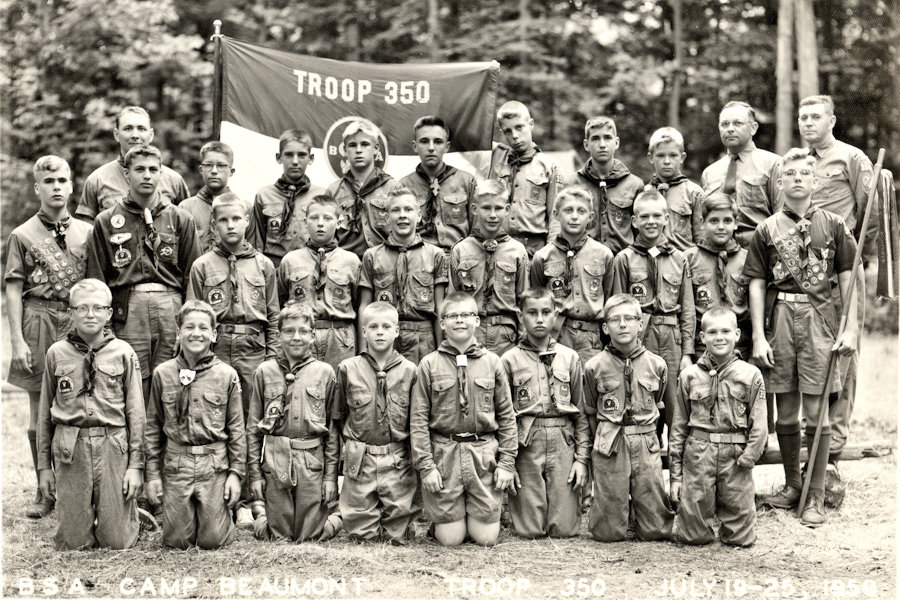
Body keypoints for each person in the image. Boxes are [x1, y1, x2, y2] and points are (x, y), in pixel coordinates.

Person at [743, 148, 858, 527]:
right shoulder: (766, 229)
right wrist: (759, 335)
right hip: (780, 319)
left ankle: (815, 493)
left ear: (815, 181)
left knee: (816, 409)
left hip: (819, 320)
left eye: (803, 174)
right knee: (787, 408)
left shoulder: (835, 225)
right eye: (789, 173)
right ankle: (793, 484)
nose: (796, 178)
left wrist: (851, 327)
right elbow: (757, 284)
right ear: (780, 182)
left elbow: (847, 281)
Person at [5, 155, 93, 518]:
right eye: (49, 181)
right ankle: (45, 490)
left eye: (62, 180)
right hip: (38, 318)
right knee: (39, 410)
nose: (57, 187)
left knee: (79, 402)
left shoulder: (86, 231)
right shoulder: (23, 234)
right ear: (37, 187)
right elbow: (13, 288)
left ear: (72, 185)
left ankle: (80, 485)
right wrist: (17, 341)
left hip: (75, 320)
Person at [187, 193, 280, 526]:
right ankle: (221, 492)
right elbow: (193, 316)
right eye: (223, 219)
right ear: (213, 224)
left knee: (250, 425)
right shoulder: (202, 266)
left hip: (253, 351)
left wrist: (272, 360)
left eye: (236, 219)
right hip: (215, 349)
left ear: (247, 222)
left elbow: (272, 314)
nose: (230, 225)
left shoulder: (264, 265)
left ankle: (252, 496)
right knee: (218, 421)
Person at [792, 94, 875, 461]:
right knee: (812, 347)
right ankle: (816, 430)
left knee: (844, 348)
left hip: (841, 265)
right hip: (805, 271)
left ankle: (836, 440)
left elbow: (870, 213)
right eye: (802, 117)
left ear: (832, 120)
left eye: (815, 117)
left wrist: (857, 255)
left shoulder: (851, 157)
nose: (808, 123)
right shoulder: (796, 162)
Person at [85, 144, 201, 402]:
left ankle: (164, 441)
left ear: (162, 173)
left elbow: (193, 275)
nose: (146, 175)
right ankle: (136, 441)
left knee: (170, 377)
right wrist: (103, 323)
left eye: (152, 169)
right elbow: (97, 279)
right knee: (132, 380)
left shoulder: (180, 219)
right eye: (139, 169)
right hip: (128, 308)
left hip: (170, 306)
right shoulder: (106, 220)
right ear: (126, 174)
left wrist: (190, 321)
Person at [37, 279, 144, 549]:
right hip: (70, 447)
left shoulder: (124, 353)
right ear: (71, 312)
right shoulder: (56, 353)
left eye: (98, 308)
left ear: (109, 313)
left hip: (113, 445)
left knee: (117, 542)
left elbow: (136, 413)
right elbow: (43, 416)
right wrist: (43, 468)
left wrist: (135, 466)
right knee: (72, 543)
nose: (90, 314)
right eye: (82, 308)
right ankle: (79, 515)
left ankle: (121, 515)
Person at [410, 292, 517, 546]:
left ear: (477, 321)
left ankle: (473, 513)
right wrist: (426, 467)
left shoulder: (493, 363)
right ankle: (450, 518)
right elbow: (418, 420)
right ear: (442, 323)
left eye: (466, 315)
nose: (459, 321)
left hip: (482, 454)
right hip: (444, 454)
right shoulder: (428, 364)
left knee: (486, 539)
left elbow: (507, 416)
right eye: (452, 316)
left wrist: (507, 463)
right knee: (451, 540)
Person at [144, 300, 245, 548]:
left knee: (213, 541)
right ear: (178, 333)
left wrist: (236, 474)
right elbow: (153, 427)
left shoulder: (227, 375)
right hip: (177, 464)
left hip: (214, 464)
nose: (196, 333)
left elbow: (236, 429)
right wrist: (153, 474)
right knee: (177, 541)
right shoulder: (163, 373)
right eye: (189, 327)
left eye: (203, 328)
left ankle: (219, 517)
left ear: (214, 334)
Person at [669, 307, 767, 546]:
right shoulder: (689, 376)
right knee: (691, 537)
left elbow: (760, 423)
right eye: (712, 332)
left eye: (725, 331)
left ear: (737, 334)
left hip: (736, 458)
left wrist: (749, 457)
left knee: (741, 539)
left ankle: (736, 521)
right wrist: (676, 474)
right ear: (702, 338)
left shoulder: (751, 375)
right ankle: (695, 520)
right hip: (699, 454)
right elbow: (679, 426)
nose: (719, 337)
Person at [583, 294, 674, 542]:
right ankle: (617, 510)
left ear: (640, 324)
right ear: (605, 327)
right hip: (611, 443)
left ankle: (643, 511)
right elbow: (591, 411)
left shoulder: (657, 365)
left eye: (629, 318)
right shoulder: (594, 366)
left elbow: (659, 403)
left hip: (645, 441)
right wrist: (599, 444)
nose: (622, 324)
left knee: (656, 531)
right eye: (615, 319)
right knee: (607, 534)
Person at [246, 303, 340, 542]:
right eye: (288, 331)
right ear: (278, 335)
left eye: (302, 331)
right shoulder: (264, 372)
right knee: (278, 537)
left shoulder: (325, 373)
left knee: (311, 537)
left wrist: (330, 478)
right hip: (275, 461)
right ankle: (259, 514)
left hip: (311, 462)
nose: (296, 337)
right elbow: (253, 431)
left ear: (312, 335)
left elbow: (332, 431)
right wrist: (255, 476)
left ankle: (340, 516)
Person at [500, 288, 590, 538]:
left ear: (555, 316)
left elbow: (580, 413)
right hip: (527, 441)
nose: (539, 319)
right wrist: (508, 462)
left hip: (563, 439)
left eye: (546, 312)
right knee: (528, 531)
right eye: (532, 313)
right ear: (521, 317)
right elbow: (504, 417)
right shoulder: (508, 360)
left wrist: (581, 460)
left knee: (564, 530)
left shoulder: (569, 357)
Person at [332, 302, 420, 542]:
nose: (380, 332)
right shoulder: (348, 369)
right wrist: (353, 447)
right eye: (373, 326)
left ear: (397, 331)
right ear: (363, 332)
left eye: (386, 326)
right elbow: (339, 416)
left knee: (400, 536)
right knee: (361, 536)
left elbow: (417, 421)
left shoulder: (411, 371)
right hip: (361, 459)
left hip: (397, 459)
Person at [610, 190, 695, 436]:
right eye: (644, 216)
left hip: (672, 338)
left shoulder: (680, 259)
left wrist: (687, 352)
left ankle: (678, 474)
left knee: (676, 408)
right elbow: (618, 309)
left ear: (666, 218)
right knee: (642, 402)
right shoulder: (624, 259)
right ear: (634, 221)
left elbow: (687, 308)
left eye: (657, 216)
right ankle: (650, 468)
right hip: (640, 338)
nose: (651, 222)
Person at [359, 188, 447, 364]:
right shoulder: (372, 256)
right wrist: (363, 351)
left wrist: (442, 350)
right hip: (384, 339)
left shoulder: (435, 255)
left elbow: (439, 307)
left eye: (408, 209)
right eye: (395, 210)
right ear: (386, 217)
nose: (402, 215)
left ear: (419, 215)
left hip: (423, 338)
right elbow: (365, 307)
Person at [530, 186, 614, 364]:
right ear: (556, 214)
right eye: (568, 210)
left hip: (592, 338)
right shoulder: (543, 257)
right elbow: (536, 300)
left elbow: (610, 298)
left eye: (581, 211)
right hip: (558, 334)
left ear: (590, 217)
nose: (574, 216)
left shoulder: (603, 255)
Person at [277, 194, 361, 371]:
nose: (320, 223)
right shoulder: (290, 261)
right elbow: (281, 301)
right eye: (314, 218)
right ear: (305, 221)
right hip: (303, 336)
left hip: (340, 338)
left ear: (338, 222)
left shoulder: (351, 261)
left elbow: (358, 303)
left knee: (339, 390)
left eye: (327, 218)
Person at [449, 179, 529, 357]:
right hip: (470, 333)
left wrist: (523, 341)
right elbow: (453, 299)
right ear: (474, 209)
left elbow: (524, 299)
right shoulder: (461, 250)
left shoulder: (517, 251)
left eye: (498, 208)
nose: (492, 215)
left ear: (507, 210)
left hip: (506, 334)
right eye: (486, 208)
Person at [75, 106, 189, 222]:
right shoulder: (97, 180)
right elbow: (87, 233)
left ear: (151, 135)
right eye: (128, 129)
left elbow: (186, 226)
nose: (135, 135)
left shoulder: (174, 181)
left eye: (141, 129)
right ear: (116, 134)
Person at [488, 101, 563, 257]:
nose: (515, 136)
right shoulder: (495, 157)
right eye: (507, 131)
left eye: (519, 127)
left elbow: (556, 218)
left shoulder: (549, 167)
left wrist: (550, 254)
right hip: (499, 249)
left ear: (531, 124)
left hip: (534, 251)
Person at [701, 101, 779, 248]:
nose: (730, 129)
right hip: (717, 251)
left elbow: (782, 217)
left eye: (737, 123)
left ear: (753, 128)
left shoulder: (773, 164)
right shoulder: (710, 172)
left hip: (758, 250)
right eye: (724, 124)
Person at [684, 193, 752, 359]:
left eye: (727, 221)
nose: (721, 226)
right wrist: (687, 352)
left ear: (736, 223)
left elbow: (754, 309)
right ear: (702, 223)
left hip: (739, 346)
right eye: (714, 221)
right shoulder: (688, 258)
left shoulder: (747, 259)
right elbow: (686, 310)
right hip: (702, 346)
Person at [399, 115, 476, 262]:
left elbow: (477, 230)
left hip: (459, 259)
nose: (431, 148)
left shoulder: (466, 182)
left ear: (447, 147)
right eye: (424, 141)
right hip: (419, 260)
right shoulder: (404, 186)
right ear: (415, 146)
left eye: (438, 142)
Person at [247, 130, 326, 268]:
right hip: (274, 268)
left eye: (302, 155)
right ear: (279, 157)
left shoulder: (321, 196)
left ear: (311, 158)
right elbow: (256, 243)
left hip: (310, 267)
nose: (295, 161)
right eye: (289, 155)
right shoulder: (264, 196)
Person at [326, 119, 401, 258]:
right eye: (352, 145)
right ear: (345, 150)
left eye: (365, 144)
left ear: (376, 148)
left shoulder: (393, 187)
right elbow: (328, 238)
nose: (359, 150)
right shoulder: (334, 191)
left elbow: (402, 231)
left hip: (385, 262)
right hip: (345, 266)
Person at [570, 116, 644, 255]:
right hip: (584, 262)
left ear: (616, 142)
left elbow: (640, 232)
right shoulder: (573, 184)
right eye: (596, 138)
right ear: (586, 145)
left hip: (623, 265)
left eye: (607, 138)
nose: (602, 144)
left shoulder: (634, 185)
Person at [645, 127, 705, 250]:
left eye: (673, 155)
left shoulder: (694, 193)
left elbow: (701, 238)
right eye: (660, 155)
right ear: (651, 158)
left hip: (684, 262)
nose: (667, 161)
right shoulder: (643, 192)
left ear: (682, 157)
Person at [180, 141, 236, 253]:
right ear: (201, 169)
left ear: (231, 171)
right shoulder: (185, 208)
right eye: (208, 165)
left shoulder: (243, 208)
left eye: (221, 165)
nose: (214, 171)